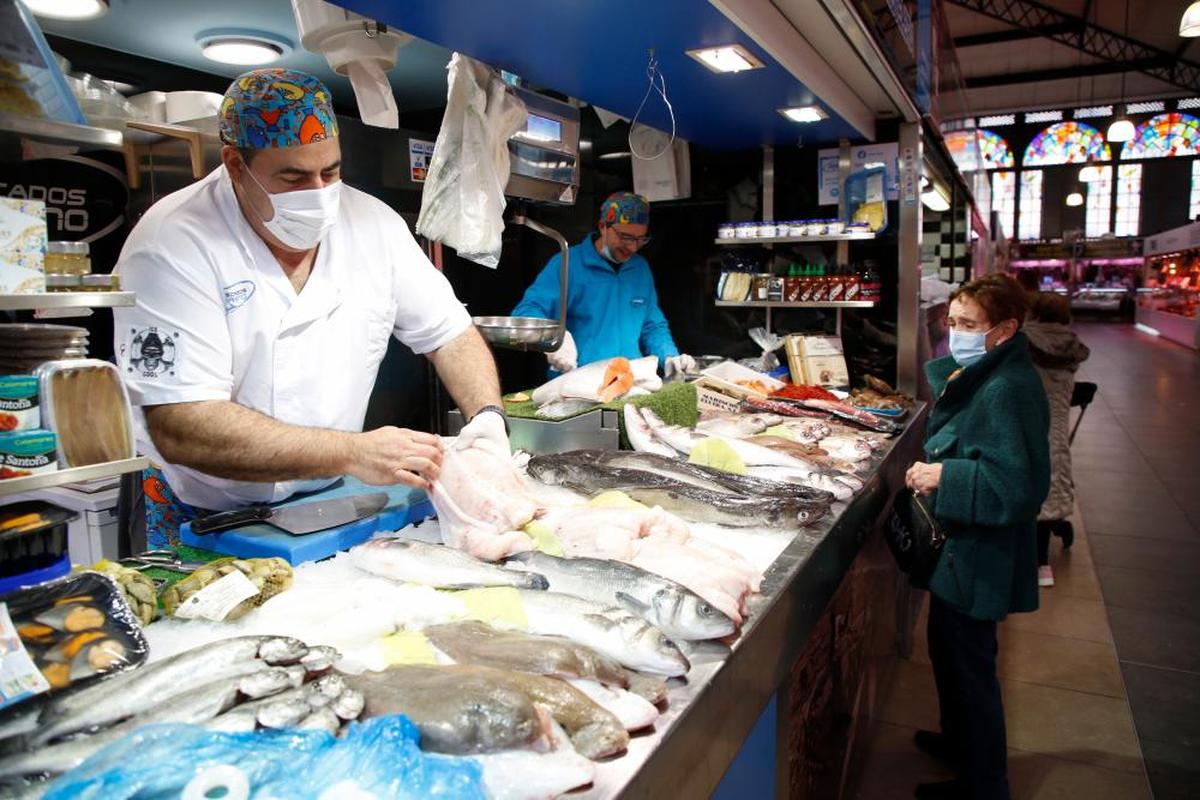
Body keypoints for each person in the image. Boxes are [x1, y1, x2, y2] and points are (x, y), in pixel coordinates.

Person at [114, 68, 507, 547]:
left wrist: (487, 418)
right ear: (235, 165)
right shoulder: (171, 243)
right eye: (294, 176)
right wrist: (352, 452)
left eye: (332, 171)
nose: (319, 193)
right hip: (203, 510)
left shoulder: (373, 224)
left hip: (329, 497)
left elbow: (450, 334)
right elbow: (182, 424)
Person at [904, 273, 1050, 800]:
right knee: (947, 651)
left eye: (969, 325)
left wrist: (946, 475)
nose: (956, 333)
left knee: (971, 669)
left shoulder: (1008, 387)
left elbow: (1020, 486)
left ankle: (984, 784)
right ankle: (959, 743)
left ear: (1005, 329)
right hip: (961, 548)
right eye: (952, 321)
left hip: (980, 552)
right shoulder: (985, 370)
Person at [511, 191, 696, 377]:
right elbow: (525, 312)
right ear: (603, 227)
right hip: (578, 382)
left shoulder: (640, 268)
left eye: (641, 239)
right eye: (626, 237)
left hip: (630, 382)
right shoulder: (568, 263)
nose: (633, 247)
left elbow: (652, 326)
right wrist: (553, 336)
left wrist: (669, 356)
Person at [1024, 292, 1090, 587]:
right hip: (1058, 431)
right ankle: (1043, 561)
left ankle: (1038, 563)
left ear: (1033, 313)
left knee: (1030, 486)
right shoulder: (1069, 345)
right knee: (1053, 483)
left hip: (1029, 427)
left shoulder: (1023, 342)